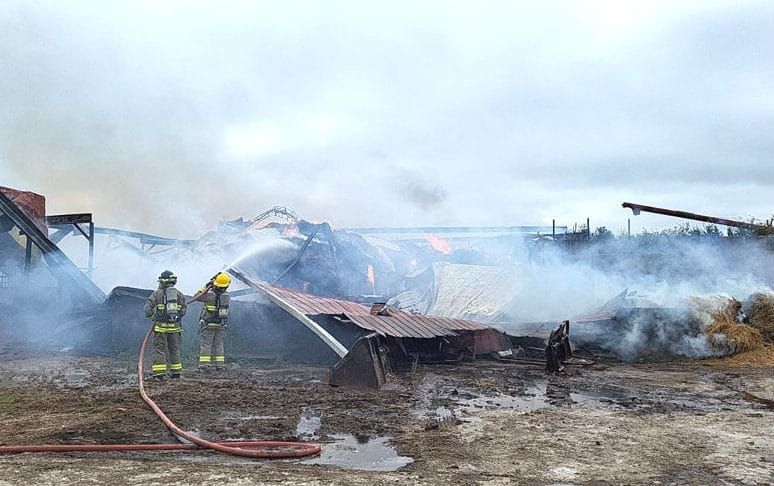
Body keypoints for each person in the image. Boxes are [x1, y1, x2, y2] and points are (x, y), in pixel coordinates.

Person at [144, 270, 187, 380]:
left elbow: (147, 309)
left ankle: (159, 374)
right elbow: (183, 310)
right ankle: (176, 373)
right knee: (174, 350)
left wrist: (153, 317)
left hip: (161, 328)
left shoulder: (156, 294)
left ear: (162, 282)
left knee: (159, 350)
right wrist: (176, 318)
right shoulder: (179, 294)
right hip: (175, 328)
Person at [195, 272, 231, 371]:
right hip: (221, 324)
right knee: (219, 344)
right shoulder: (226, 296)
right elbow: (228, 282)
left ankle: (204, 365)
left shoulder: (210, 295)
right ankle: (220, 366)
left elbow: (196, 297)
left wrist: (206, 286)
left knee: (206, 344)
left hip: (208, 324)